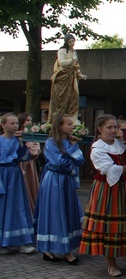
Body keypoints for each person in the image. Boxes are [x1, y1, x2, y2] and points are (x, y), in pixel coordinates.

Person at [79, 115, 126, 276]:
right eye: (109, 127)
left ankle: (123, 252)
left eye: (115, 127)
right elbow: (110, 170)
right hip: (106, 189)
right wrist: (125, 167)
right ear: (100, 129)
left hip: (123, 188)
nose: (113, 131)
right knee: (107, 226)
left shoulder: (121, 144)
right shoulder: (97, 148)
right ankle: (111, 263)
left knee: (122, 224)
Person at [34, 114, 85, 264]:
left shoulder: (69, 142)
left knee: (68, 211)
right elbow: (59, 163)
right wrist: (71, 158)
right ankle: (60, 250)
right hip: (54, 181)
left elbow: (81, 160)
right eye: (69, 124)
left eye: (72, 124)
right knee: (56, 212)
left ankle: (55, 248)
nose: (72, 126)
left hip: (66, 181)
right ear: (60, 126)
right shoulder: (51, 142)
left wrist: (72, 150)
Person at [0, 113, 38, 255]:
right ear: (3, 125)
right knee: (3, 207)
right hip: (2, 174)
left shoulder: (19, 141)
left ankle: (23, 242)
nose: (15, 126)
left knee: (18, 205)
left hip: (15, 175)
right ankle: (3, 243)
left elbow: (24, 158)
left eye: (16, 123)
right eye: (12, 123)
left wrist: (23, 143)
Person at [49, 34, 86, 120]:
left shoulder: (74, 51)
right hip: (62, 76)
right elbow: (62, 63)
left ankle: (71, 118)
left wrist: (80, 74)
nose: (72, 43)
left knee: (73, 97)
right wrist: (71, 60)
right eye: (70, 42)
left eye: (73, 41)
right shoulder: (62, 51)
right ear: (66, 42)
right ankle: (58, 118)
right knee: (61, 99)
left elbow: (76, 65)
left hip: (72, 76)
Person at [17, 113, 40, 214]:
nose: (30, 122)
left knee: (30, 186)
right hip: (19, 164)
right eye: (27, 120)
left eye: (30, 120)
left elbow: (36, 151)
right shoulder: (16, 135)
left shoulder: (32, 135)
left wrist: (31, 150)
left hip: (29, 164)